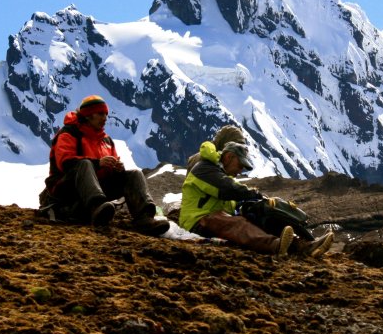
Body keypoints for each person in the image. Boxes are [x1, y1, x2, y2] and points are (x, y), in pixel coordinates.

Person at [43, 95, 170, 236]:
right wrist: (98, 163)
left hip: (94, 189)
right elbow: (66, 163)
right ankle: (97, 207)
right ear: (88, 116)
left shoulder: (106, 140)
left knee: (134, 174)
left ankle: (144, 218)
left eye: (105, 114)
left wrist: (117, 169)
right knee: (84, 164)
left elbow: (108, 169)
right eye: (100, 114)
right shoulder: (69, 133)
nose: (104, 118)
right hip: (66, 189)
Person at [180, 140, 333, 257]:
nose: (240, 172)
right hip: (197, 221)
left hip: (216, 218)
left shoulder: (220, 173)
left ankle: (305, 246)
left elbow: (232, 197)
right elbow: (228, 189)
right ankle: (275, 246)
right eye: (240, 166)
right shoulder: (204, 169)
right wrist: (255, 194)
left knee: (259, 217)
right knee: (236, 223)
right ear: (229, 157)